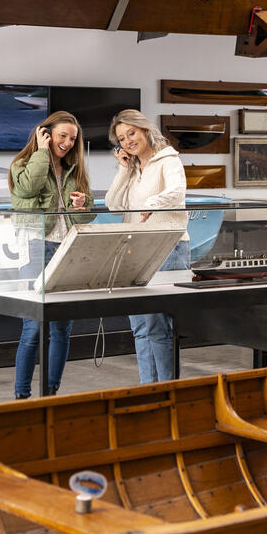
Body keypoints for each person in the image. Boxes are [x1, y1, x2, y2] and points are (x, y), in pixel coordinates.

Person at [9, 111, 94, 398]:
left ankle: (51, 391)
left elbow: (87, 215)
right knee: (33, 326)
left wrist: (83, 205)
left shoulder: (74, 170)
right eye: (62, 136)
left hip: (67, 249)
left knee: (62, 328)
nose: (68, 143)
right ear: (45, 135)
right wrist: (42, 152)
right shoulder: (22, 164)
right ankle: (22, 396)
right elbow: (28, 187)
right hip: (36, 247)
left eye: (73, 138)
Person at [105, 109, 189, 383]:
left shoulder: (169, 159)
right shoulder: (132, 169)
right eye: (122, 138)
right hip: (136, 251)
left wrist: (152, 203)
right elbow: (113, 204)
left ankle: (167, 390)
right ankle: (147, 388)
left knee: (158, 326)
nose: (128, 141)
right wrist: (123, 168)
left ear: (145, 130)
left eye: (131, 133)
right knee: (140, 327)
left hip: (167, 248)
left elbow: (176, 191)